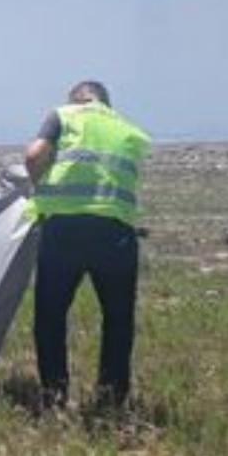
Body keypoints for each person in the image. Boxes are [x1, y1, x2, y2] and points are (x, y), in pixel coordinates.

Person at [24, 81, 151, 411]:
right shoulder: (129, 130)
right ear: (106, 103)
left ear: (77, 99)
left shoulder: (64, 116)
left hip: (64, 229)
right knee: (118, 319)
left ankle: (54, 396)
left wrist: (37, 189)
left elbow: (34, 155)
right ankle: (111, 399)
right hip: (116, 232)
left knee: (50, 317)